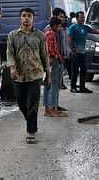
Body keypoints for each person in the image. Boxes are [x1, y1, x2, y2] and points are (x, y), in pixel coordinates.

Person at [6, 7, 50, 144]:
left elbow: (45, 55)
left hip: (35, 75)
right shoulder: (12, 35)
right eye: (24, 15)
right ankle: (31, 123)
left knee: (32, 104)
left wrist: (48, 74)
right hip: (18, 76)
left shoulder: (40, 36)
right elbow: (10, 54)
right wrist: (12, 68)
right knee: (21, 104)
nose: (26, 18)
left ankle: (30, 131)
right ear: (20, 18)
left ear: (33, 18)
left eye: (29, 15)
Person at [68, 11, 99, 93]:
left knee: (83, 71)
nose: (83, 19)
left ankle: (82, 87)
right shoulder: (73, 27)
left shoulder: (85, 27)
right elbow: (69, 39)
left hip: (83, 53)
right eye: (81, 17)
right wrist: (72, 51)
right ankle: (73, 87)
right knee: (75, 71)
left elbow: (96, 31)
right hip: (75, 53)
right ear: (77, 18)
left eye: (83, 17)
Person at [43, 17, 67, 117]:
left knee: (49, 85)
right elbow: (50, 49)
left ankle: (48, 108)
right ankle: (53, 108)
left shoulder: (49, 33)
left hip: (52, 61)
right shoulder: (50, 34)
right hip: (54, 62)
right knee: (54, 84)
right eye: (59, 26)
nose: (59, 27)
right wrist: (57, 56)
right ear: (54, 26)